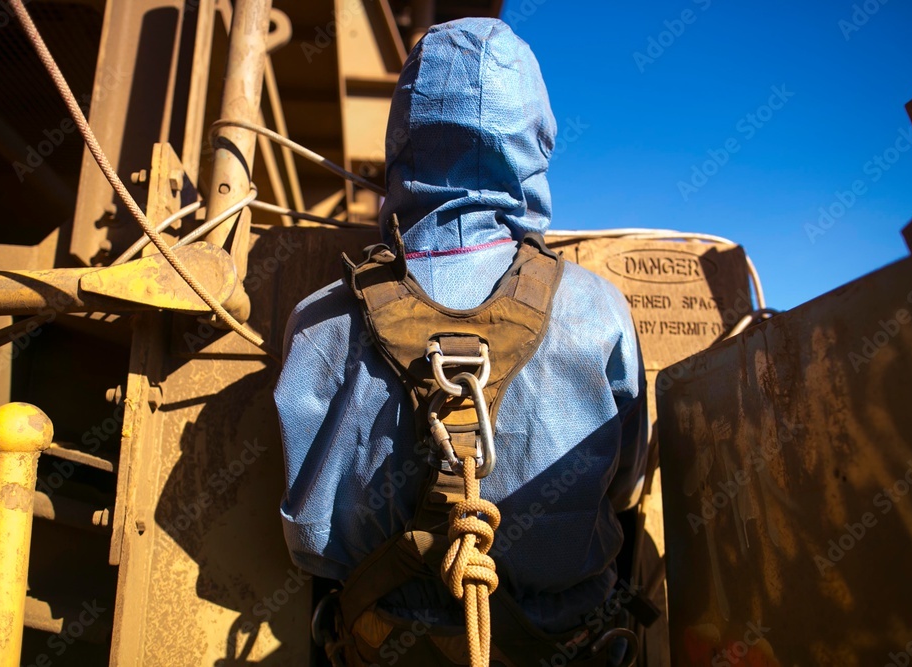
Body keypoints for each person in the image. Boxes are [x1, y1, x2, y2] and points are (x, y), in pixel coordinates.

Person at [274, 16, 647, 666]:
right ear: (536, 138)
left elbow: (310, 538)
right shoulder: (599, 311)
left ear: (405, 135)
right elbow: (625, 486)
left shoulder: (321, 319)